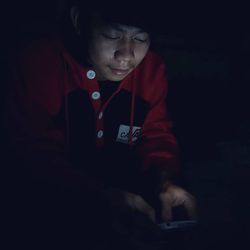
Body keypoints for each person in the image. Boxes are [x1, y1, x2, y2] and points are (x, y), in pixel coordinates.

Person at [3, 0, 197, 248]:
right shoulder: (35, 64)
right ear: (78, 20)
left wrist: (166, 179)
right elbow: (32, 152)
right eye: (112, 35)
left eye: (140, 38)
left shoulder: (152, 69)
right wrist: (98, 198)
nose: (126, 55)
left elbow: (156, 134)